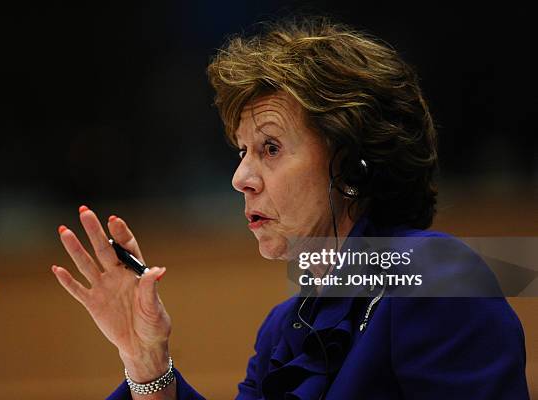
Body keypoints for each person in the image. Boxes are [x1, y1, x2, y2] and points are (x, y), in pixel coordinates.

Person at [51, 17, 529, 399]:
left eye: (271, 148)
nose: (241, 178)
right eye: (242, 151)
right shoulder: (284, 328)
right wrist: (146, 361)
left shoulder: (434, 274)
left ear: (351, 164)